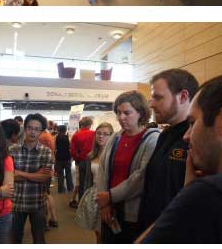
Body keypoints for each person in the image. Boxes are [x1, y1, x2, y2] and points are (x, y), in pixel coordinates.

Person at [138, 73, 222, 243]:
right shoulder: (164, 135)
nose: (187, 136)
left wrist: (188, 195)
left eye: (193, 122)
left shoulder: (209, 194)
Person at [137, 69, 199, 230]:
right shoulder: (165, 135)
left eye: (158, 97)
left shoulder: (198, 139)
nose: (150, 104)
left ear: (183, 96)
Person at [95, 91, 160, 243]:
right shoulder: (115, 137)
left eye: (127, 112)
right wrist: (104, 203)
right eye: (118, 112)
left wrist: (110, 196)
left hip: (134, 211)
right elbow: (102, 170)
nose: (121, 117)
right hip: (109, 207)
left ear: (141, 113)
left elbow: (140, 178)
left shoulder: (152, 139)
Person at [10, 113, 54, 243]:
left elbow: (44, 178)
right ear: (25, 128)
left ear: (41, 131)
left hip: (38, 203)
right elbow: (9, 177)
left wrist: (19, 173)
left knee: (39, 239)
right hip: (16, 203)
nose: (32, 132)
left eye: (36, 129)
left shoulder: (45, 151)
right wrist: (36, 174)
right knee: (15, 239)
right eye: (29, 128)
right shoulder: (12, 150)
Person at [75, 122, 114, 243]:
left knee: (109, 232)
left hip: (110, 196)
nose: (101, 136)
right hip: (94, 197)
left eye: (105, 134)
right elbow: (88, 180)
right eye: (99, 133)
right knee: (97, 233)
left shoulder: (114, 155)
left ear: (111, 136)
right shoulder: (91, 156)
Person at [70, 116, 95, 203]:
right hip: (93, 161)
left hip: (82, 162)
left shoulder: (76, 135)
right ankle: (91, 203)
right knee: (93, 184)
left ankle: (81, 203)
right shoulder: (94, 134)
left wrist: (78, 159)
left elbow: (73, 152)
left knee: (81, 184)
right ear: (89, 125)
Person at [55, 125, 73, 194]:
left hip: (59, 158)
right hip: (67, 157)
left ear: (58, 130)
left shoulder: (56, 137)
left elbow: (55, 147)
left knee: (60, 175)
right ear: (65, 130)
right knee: (69, 173)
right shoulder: (68, 137)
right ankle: (70, 188)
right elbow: (70, 147)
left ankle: (61, 189)